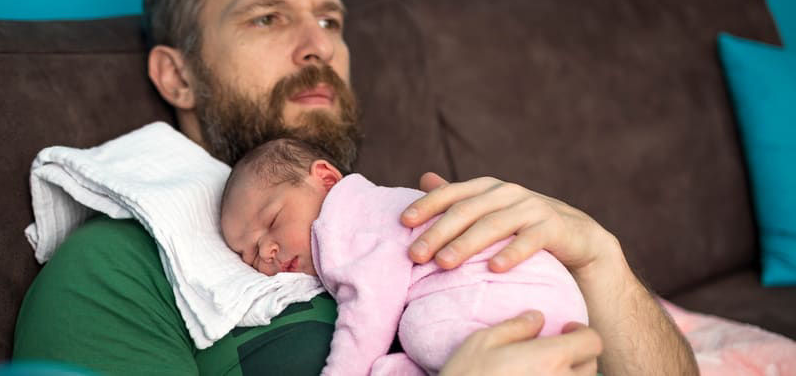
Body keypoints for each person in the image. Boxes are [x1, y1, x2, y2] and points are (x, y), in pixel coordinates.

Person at [12, 0, 697, 376]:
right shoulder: (116, 272)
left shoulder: (410, 219)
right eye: (266, 18)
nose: (319, 47)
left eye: (330, 20)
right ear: (177, 75)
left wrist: (601, 263)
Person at [220, 137, 589, 375]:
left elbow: (368, 311)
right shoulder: (376, 207)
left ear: (327, 180)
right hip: (546, 304)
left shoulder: (343, 221)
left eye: (272, 220)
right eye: (247, 253)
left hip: (508, 294)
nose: (266, 251)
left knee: (421, 329)